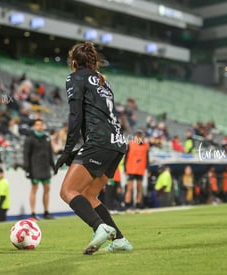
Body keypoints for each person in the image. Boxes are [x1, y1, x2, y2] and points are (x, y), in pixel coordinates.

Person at [55, 42, 132, 255]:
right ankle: (120, 240)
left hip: (99, 142)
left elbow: (75, 116)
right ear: (94, 62)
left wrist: (67, 149)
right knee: (89, 194)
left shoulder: (75, 77)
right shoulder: (103, 82)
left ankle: (100, 227)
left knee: (67, 191)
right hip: (117, 144)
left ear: (73, 63)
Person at [23, 118, 55, 220]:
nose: (39, 126)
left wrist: (53, 166)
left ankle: (46, 212)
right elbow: (26, 154)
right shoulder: (30, 139)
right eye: (37, 125)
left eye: (41, 124)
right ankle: (33, 213)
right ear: (34, 126)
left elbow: (50, 154)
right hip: (35, 168)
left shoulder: (47, 138)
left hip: (45, 167)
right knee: (34, 189)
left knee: (47, 189)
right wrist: (27, 169)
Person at [123, 130, 149, 210]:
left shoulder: (145, 146)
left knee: (139, 188)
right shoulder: (130, 144)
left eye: (140, 137)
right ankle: (127, 204)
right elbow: (126, 157)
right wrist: (125, 169)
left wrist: (147, 169)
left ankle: (138, 204)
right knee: (130, 188)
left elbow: (147, 158)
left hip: (140, 169)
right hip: (131, 169)